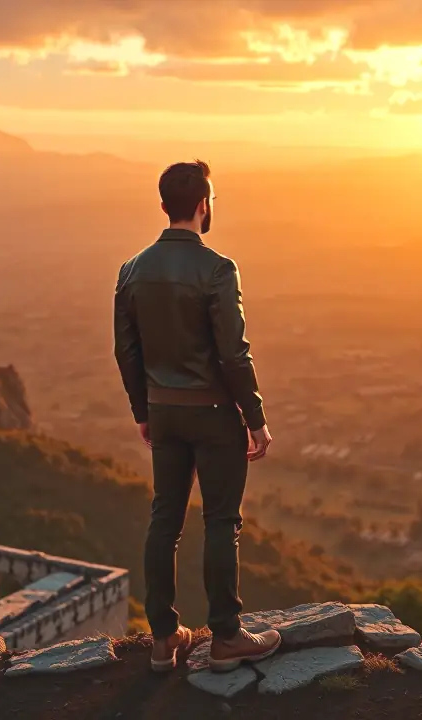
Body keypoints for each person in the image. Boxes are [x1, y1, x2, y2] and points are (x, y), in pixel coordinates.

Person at [113, 160, 280, 673]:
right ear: (204, 205)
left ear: (164, 205)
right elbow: (233, 354)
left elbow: (127, 350)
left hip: (162, 411)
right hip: (213, 415)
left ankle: (164, 639)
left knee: (165, 518)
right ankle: (226, 637)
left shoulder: (132, 269)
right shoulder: (217, 270)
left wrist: (144, 410)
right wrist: (255, 418)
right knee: (220, 521)